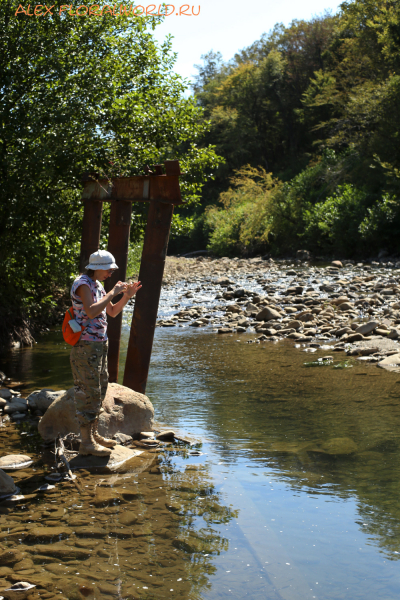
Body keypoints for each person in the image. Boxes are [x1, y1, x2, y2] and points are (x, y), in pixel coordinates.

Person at [70, 249, 142, 457]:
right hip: (85, 345)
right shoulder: (82, 283)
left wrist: (126, 296)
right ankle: (86, 443)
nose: (111, 274)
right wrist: (113, 292)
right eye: (109, 270)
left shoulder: (98, 285)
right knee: (87, 390)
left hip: (100, 344)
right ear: (98, 268)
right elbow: (91, 311)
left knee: (99, 389)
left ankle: (93, 435)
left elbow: (111, 312)